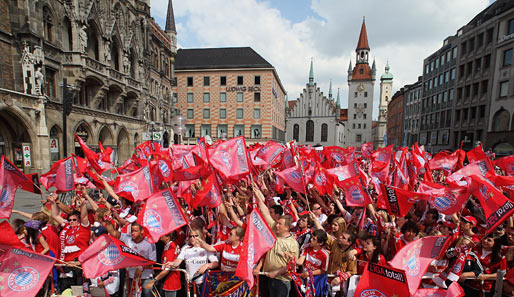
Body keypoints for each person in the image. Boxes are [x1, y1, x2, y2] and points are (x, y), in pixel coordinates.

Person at [255, 182, 299, 297]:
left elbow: (292, 265)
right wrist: (258, 196)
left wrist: (276, 272)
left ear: (287, 227)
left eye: (280, 224)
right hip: (265, 275)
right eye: (277, 223)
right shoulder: (274, 229)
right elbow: (265, 212)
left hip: (281, 280)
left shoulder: (293, 243)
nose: (277, 225)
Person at [165, 228, 219, 294]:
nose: (192, 238)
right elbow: (178, 260)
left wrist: (206, 266)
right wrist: (172, 263)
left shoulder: (206, 248)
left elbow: (216, 263)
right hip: (189, 283)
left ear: (200, 236)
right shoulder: (185, 248)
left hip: (203, 282)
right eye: (190, 236)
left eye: (195, 236)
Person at [120, 223, 157, 297]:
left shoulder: (150, 243)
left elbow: (152, 261)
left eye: (135, 231)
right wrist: (107, 220)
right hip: (131, 277)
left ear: (142, 231)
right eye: (132, 231)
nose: (133, 233)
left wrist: (141, 267)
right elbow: (114, 232)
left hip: (146, 278)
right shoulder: (128, 239)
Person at [145, 232, 181, 297]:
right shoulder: (168, 245)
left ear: (168, 237)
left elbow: (166, 270)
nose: (160, 235)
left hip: (170, 280)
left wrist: (154, 280)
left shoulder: (171, 248)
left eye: (162, 234)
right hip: (168, 279)